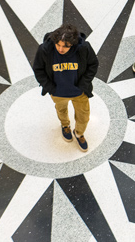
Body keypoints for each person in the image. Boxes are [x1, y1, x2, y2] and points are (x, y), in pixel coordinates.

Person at [32, 23, 99, 152]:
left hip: (80, 92)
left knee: (84, 116)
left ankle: (79, 133)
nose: (61, 49)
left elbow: (93, 64)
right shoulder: (45, 49)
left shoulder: (83, 48)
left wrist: (83, 85)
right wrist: (51, 88)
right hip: (58, 92)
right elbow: (38, 70)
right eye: (58, 45)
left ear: (73, 43)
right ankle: (65, 125)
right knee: (61, 110)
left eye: (65, 46)